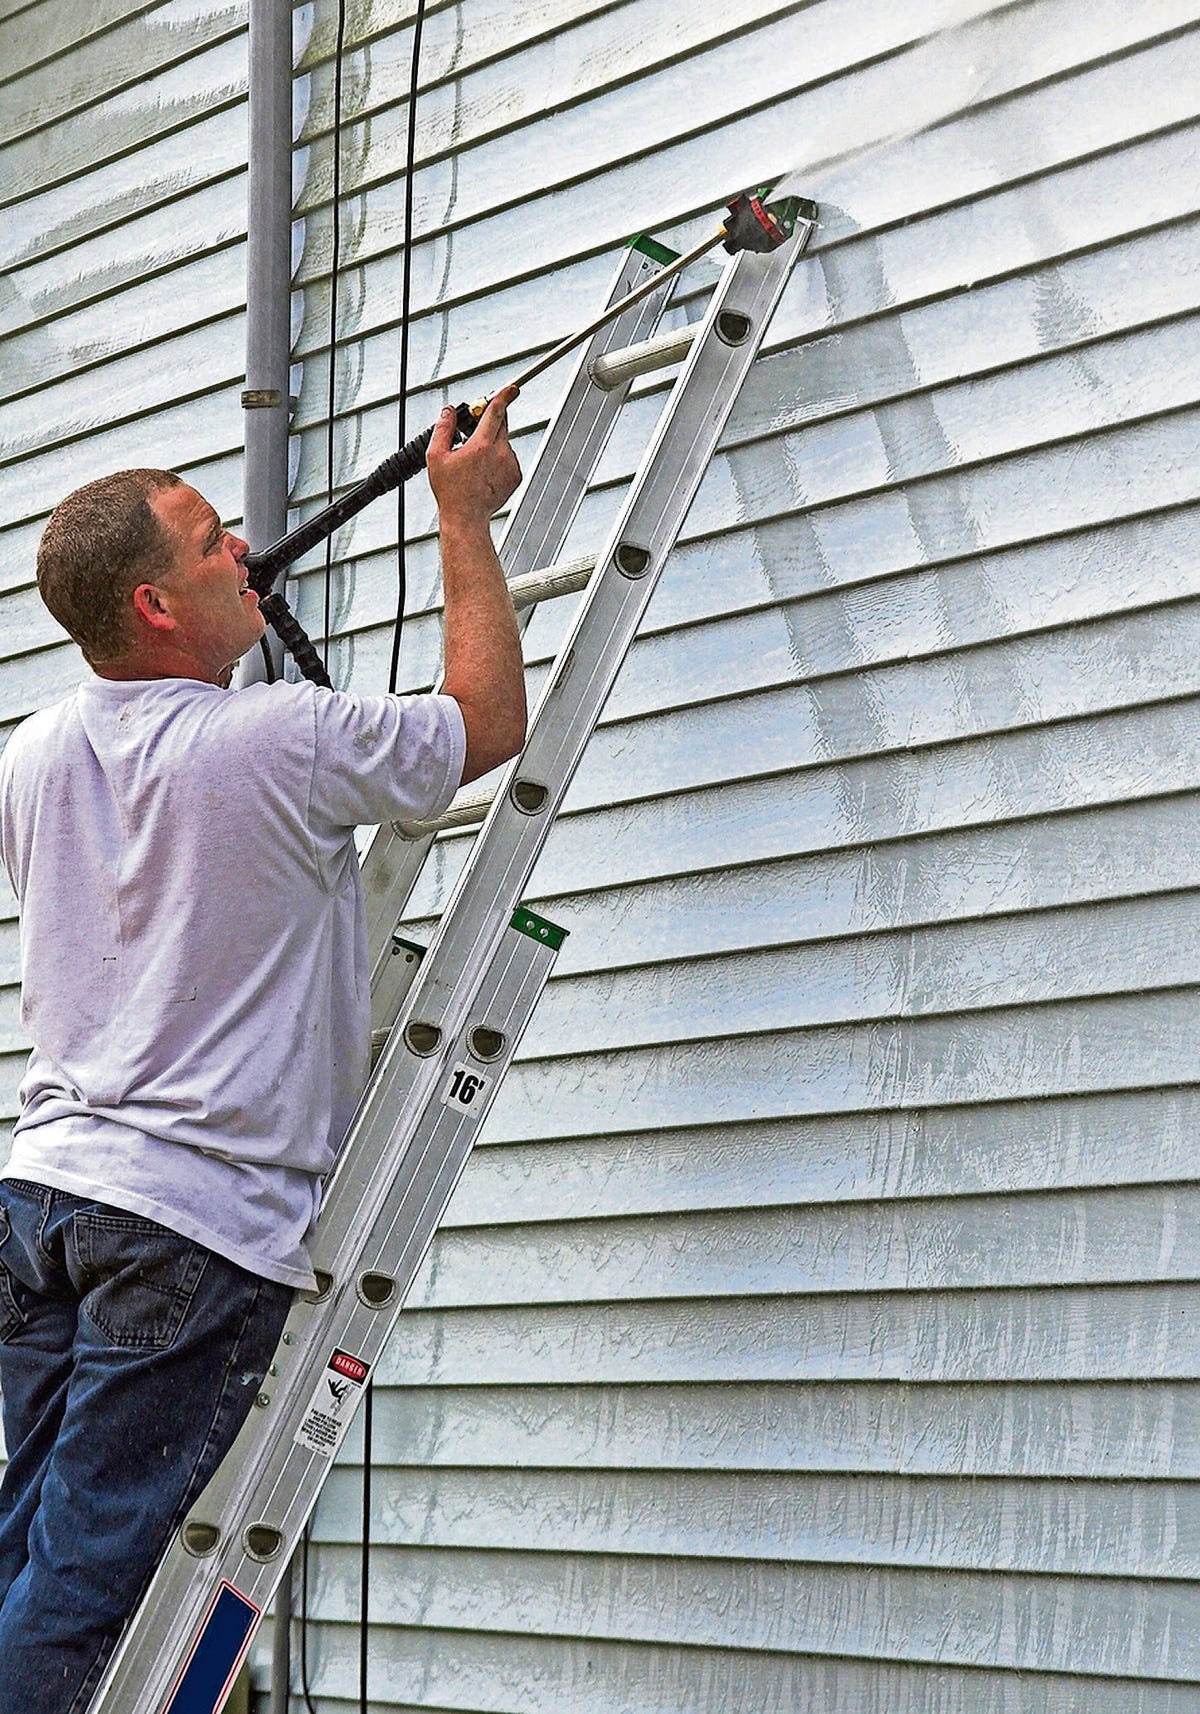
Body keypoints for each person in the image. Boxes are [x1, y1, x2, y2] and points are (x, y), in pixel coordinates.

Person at [0, 389, 526, 1714]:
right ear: (159, 607)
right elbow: (486, 721)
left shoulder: (37, 752)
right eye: (210, 541)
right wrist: (463, 519)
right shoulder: (282, 741)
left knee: (28, 1562)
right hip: (186, 1226)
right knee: (82, 1603)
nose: (244, 549)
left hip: (41, 1203)